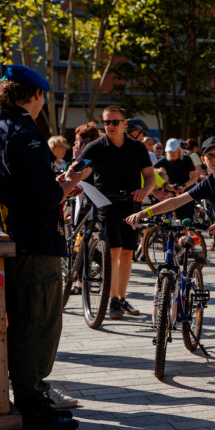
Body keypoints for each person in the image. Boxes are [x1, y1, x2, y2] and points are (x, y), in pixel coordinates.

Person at [0, 64, 85, 430]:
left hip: (4, 239)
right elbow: (43, 196)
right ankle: (32, 404)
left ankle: (29, 399)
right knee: (36, 324)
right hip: (34, 244)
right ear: (35, 95)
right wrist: (66, 184)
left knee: (20, 323)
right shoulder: (28, 133)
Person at [126, 136, 215, 368]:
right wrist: (144, 214)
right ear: (204, 160)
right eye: (210, 156)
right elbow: (176, 201)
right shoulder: (208, 184)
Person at [74, 105, 155, 319]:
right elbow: (77, 166)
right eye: (107, 122)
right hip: (105, 203)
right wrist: (70, 177)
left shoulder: (137, 148)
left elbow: (149, 176)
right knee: (114, 250)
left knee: (128, 252)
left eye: (115, 122)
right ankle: (111, 300)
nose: (110, 126)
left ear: (124, 124)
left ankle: (120, 297)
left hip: (131, 203)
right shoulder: (96, 147)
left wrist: (143, 191)